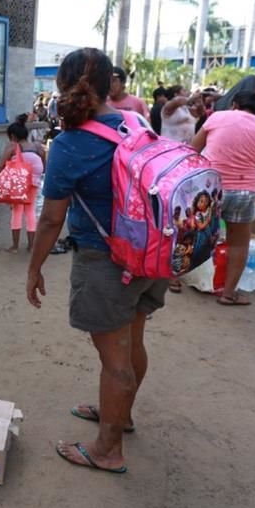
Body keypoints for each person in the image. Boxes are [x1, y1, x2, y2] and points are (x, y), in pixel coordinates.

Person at [27, 47, 168, 475]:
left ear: (61, 85)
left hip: (108, 261)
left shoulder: (71, 143)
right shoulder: (136, 122)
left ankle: (107, 450)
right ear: (112, 84)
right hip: (149, 254)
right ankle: (119, 416)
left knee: (115, 359)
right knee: (132, 343)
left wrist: (34, 267)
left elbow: (52, 217)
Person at [191, 91, 255, 305]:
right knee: (238, 243)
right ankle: (228, 294)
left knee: (191, 235)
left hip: (210, 187)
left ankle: (174, 280)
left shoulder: (218, 117)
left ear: (235, 104)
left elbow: (192, 150)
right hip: (244, 190)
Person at [0, 121, 45, 253]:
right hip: (34, 182)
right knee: (30, 211)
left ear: (13, 136)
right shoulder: (38, 147)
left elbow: (0, 167)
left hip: (20, 183)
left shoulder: (13, 147)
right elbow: (44, 167)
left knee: (17, 212)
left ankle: (15, 247)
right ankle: (31, 246)